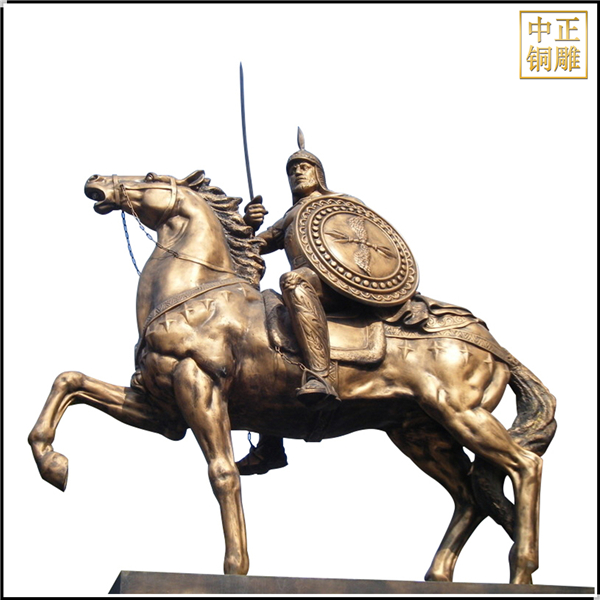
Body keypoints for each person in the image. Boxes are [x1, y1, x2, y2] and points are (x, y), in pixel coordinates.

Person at [237, 129, 376, 475]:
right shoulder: (290, 216)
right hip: (310, 287)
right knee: (261, 317)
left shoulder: (341, 203)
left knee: (293, 280)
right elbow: (253, 245)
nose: (297, 173)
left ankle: (320, 376)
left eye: (304, 167)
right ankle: (271, 444)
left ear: (318, 172)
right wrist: (248, 224)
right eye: (292, 170)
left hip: (337, 284)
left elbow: (366, 243)